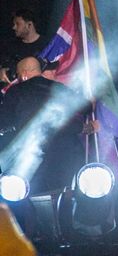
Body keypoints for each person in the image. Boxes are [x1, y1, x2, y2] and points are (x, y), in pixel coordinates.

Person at [0, 57, 87, 193]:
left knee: (38, 201)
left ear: (23, 74)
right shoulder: (60, 88)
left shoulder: (16, 91)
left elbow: (4, 121)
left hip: (34, 157)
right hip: (68, 152)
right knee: (71, 196)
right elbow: (84, 109)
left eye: (18, 75)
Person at [1, 9, 49, 85]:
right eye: (14, 24)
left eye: (17, 24)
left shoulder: (47, 45)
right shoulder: (10, 45)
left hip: (38, 90)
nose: (14, 27)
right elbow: (3, 64)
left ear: (29, 25)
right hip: (13, 91)